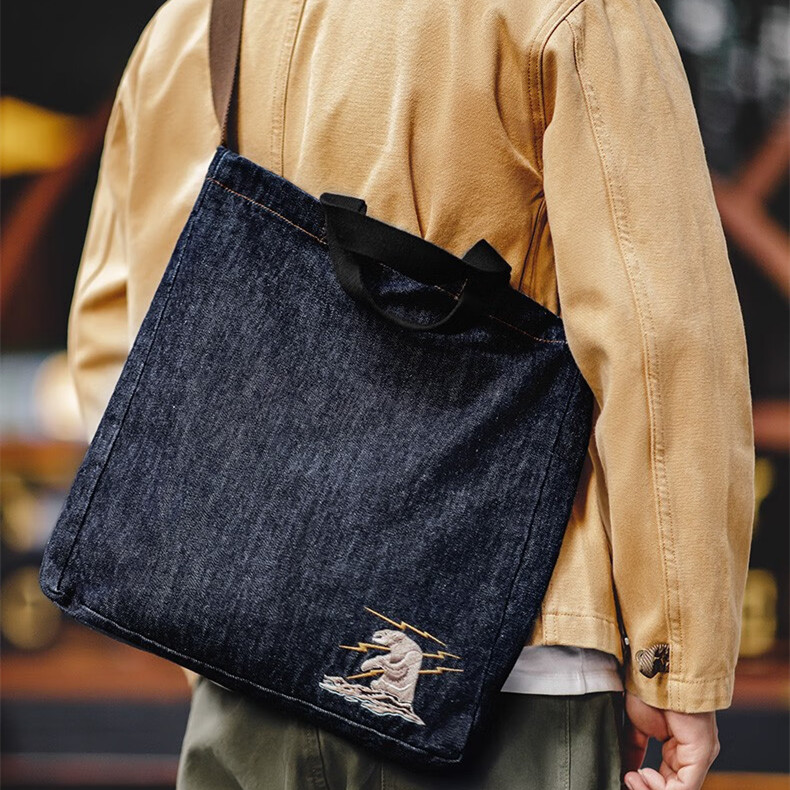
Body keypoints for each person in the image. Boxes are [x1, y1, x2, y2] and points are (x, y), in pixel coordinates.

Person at [65, 0, 755, 787]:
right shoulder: (570, 13)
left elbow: (117, 342)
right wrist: (675, 660)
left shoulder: (188, 25)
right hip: (505, 665)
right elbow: (663, 340)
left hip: (245, 676)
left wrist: (225, 607)